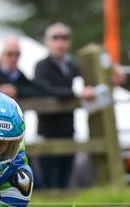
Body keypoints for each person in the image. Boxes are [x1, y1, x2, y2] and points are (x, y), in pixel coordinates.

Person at [33, 22, 96, 189]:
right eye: (55, 38)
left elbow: (93, 77)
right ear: (47, 42)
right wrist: (77, 94)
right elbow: (46, 90)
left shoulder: (72, 65)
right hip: (48, 133)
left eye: (65, 38)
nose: (60, 42)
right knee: (50, 184)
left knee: (65, 181)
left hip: (69, 131)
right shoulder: (42, 66)